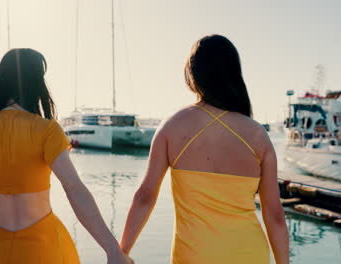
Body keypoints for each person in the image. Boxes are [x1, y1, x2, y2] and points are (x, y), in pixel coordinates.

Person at [0, 48, 133, 264]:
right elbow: (74, 190)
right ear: (36, 84)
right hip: (43, 247)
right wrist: (112, 250)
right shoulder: (47, 130)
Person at [120, 35, 289, 263]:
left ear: (193, 73)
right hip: (249, 253)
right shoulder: (258, 135)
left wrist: (121, 252)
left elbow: (145, 197)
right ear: (234, 73)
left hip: (194, 255)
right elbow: (274, 214)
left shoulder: (172, 127)